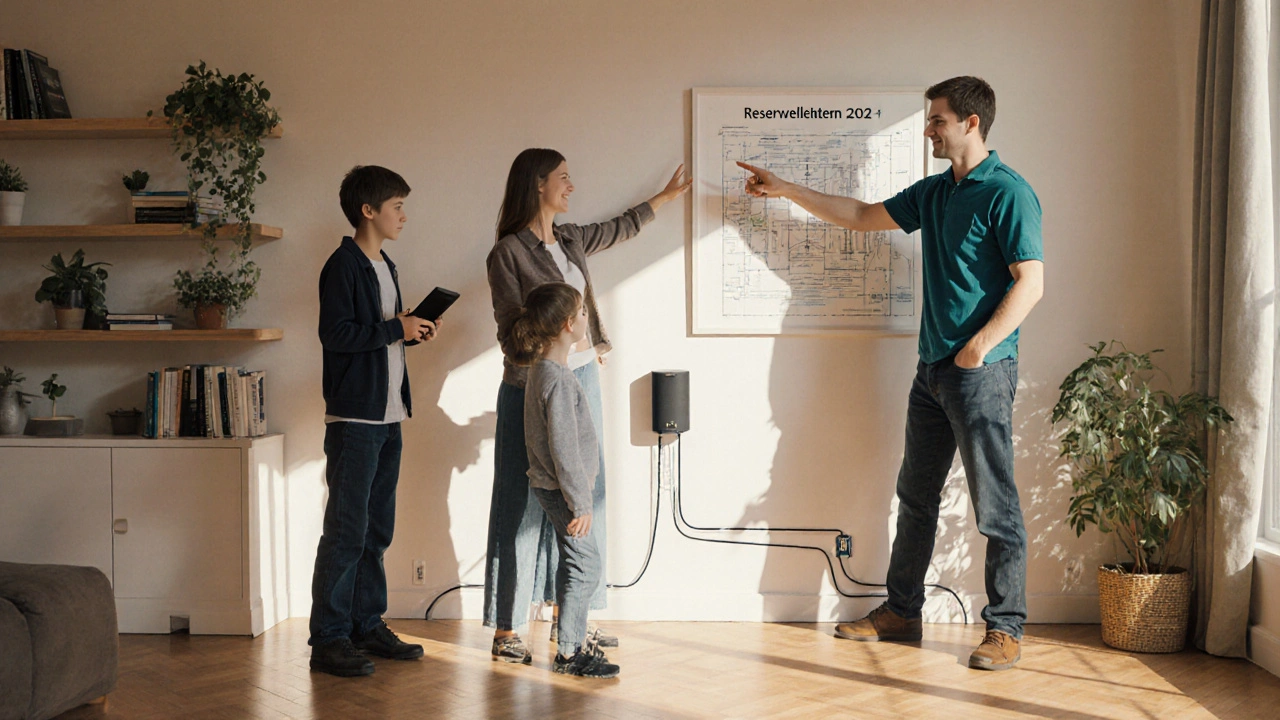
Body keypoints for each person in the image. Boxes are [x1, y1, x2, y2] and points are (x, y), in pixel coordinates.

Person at [739, 76, 1044, 671]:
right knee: (915, 497)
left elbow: (1031, 281)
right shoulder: (936, 192)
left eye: (937, 120)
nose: (929, 129)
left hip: (979, 374)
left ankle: (1004, 628)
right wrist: (782, 189)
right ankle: (902, 612)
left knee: (995, 507)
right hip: (932, 373)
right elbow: (858, 214)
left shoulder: (1008, 193)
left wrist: (978, 348)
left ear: (971, 123)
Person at [484, 148, 689, 663]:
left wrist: (663, 198)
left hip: (581, 383)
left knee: (582, 497)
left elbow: (620, 227)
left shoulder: (571, 238)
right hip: (530, 387)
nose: (571, 186)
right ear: (537, 184)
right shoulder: (507, 253)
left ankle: (568, 623)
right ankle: (508, 630)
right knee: (520, 503)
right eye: (563, 178)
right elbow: (511, 334)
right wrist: (559, 352)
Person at [310, 165, 441, 677]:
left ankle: (366, 624)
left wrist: (408, 332)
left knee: (376, 529)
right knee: (346, 530)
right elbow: (335, 334)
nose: (404, 216)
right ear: (369, 211)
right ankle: (329, 639)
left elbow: (375, 333)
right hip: (354, 418)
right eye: (397, 206)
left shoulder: (384, 263)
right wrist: (394, 327)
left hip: (388, 415)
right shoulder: (342, 265)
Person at [509, 281, 621, 678]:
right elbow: (565, 449)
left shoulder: (546, 370)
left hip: (557, 488)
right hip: (563, 490)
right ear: (569, 324)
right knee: (586, 564)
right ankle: (569, 654)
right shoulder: (555, 379)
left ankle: (568, 646)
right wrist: (582, 502)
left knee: (575, 562)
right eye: (585, 313)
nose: (589, 319)